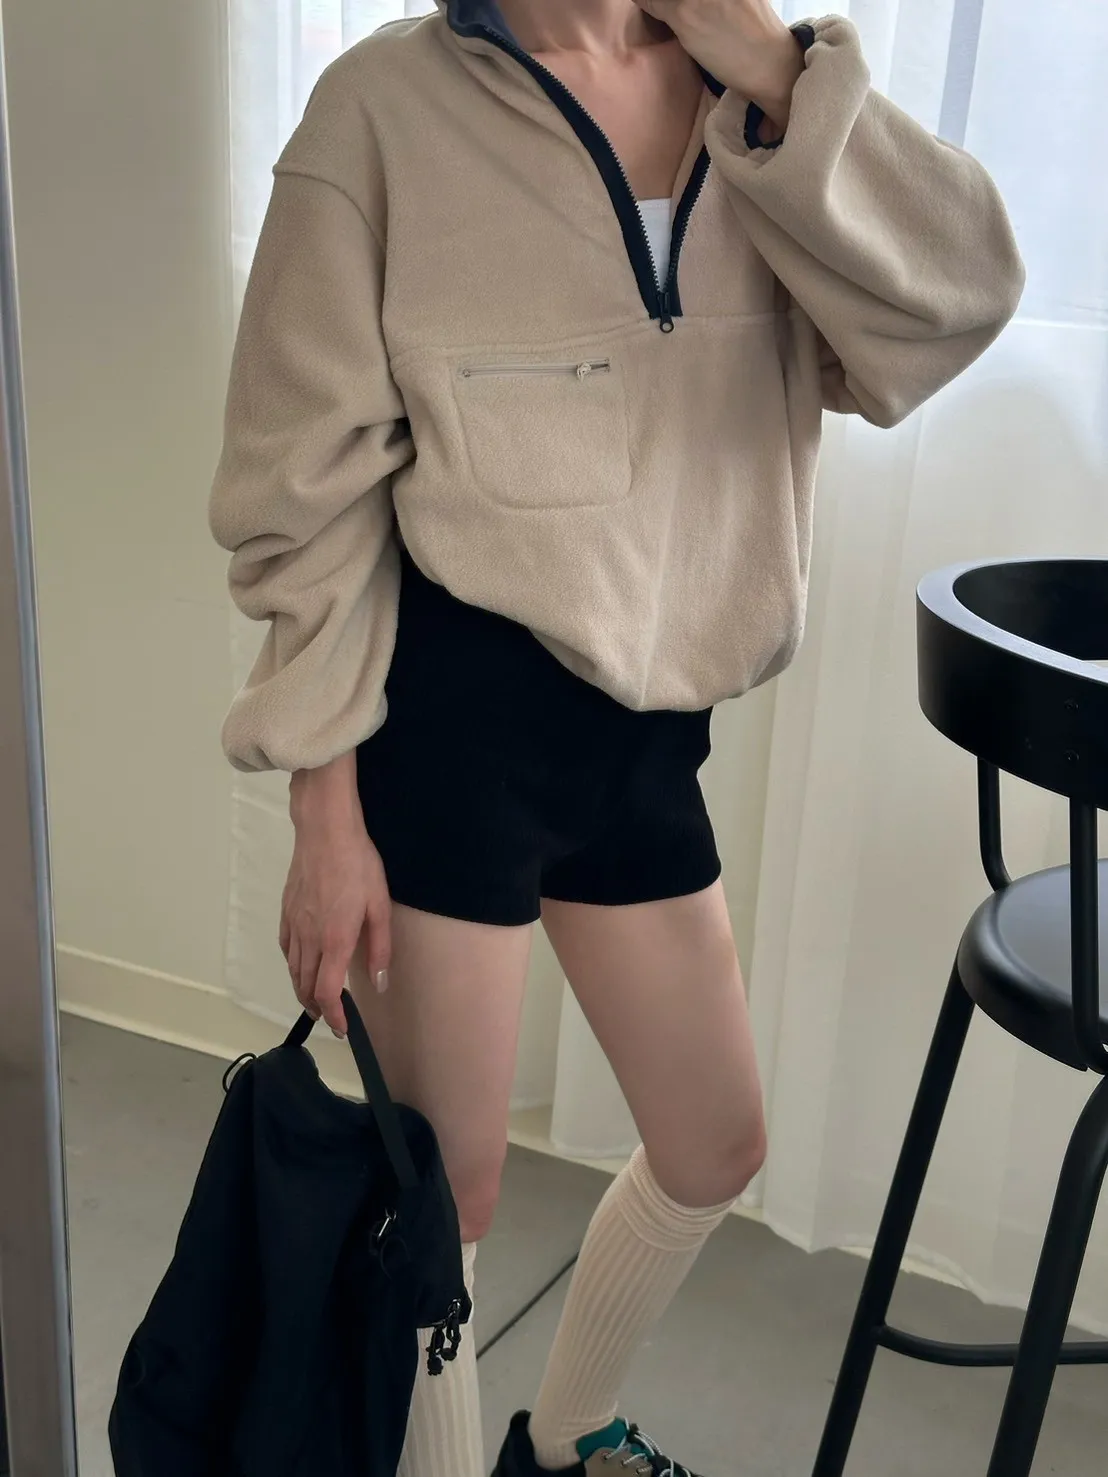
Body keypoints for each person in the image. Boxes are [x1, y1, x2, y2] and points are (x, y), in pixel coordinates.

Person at [209, 1, 1023, 1473]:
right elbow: (302, 480)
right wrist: (325, 810)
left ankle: (567, 1438)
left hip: (650, 732)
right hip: (447, 724)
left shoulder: (755, 92)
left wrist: (773, 70)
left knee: (715, 1143)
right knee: (443, 1206)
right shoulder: (381, 109)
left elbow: (956, 298)